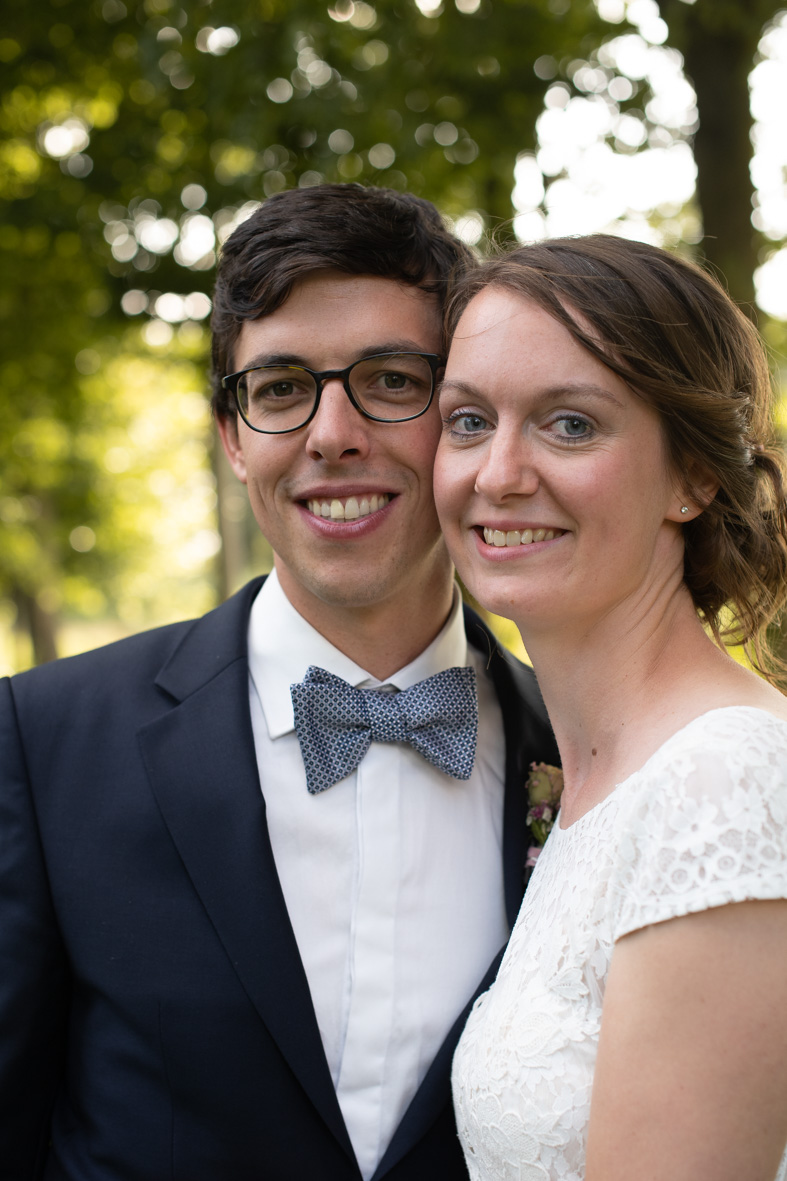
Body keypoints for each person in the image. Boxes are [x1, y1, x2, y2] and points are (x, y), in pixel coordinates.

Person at [0, 184, 557, 1181]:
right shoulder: (43, 741)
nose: (331, 432)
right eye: (279, 387)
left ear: (465, 417)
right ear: (231, 434)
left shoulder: (588, 747)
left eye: (390, 379)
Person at [433, 234, 787, 1181]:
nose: (497, 474)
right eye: (467, 421)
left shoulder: (721, 781)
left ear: (693, 477)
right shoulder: (590, 769)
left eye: (570, 425)